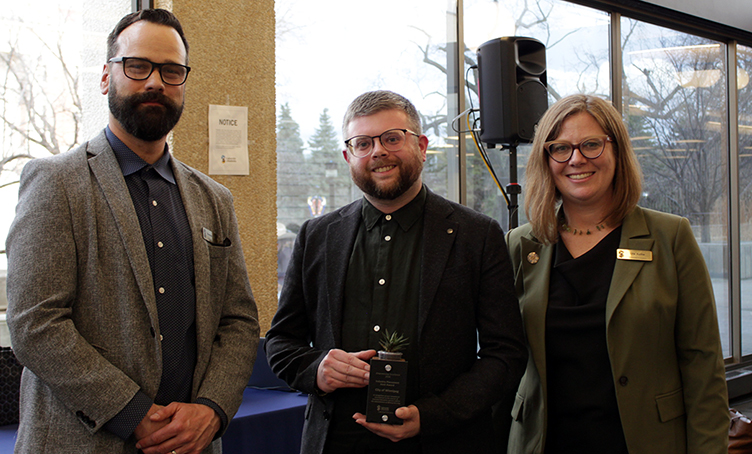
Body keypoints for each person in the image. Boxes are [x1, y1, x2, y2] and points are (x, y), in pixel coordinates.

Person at [5, 9, 260, 454]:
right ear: (106, 77)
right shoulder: (55, 183)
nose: (155, 82)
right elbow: (36, 323)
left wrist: (212, 408)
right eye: (137, 66)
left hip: (193, 444)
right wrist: (131, 412)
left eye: (171, 70)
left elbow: (238, 321)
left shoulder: (214, 198)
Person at [265, 90, 527, 453]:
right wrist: (317, 370)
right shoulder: (317, 236)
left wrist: (435, 414)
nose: (378, 152)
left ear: (421, 145)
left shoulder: (477, 235)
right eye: (363, 143)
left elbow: (505, 353)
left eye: (392, 138)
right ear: (348, 156)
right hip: (336, 440)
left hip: (442, 439)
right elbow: (281, 343)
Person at [505, 94, 728, 453]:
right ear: (546, 161)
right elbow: (501, 360)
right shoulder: (520, 245)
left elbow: (703, 365)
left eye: (591, 144)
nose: (576, 159)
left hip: (645, 441)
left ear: (617, 150)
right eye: (560, 148)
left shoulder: (670, 237)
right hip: (545, 442)